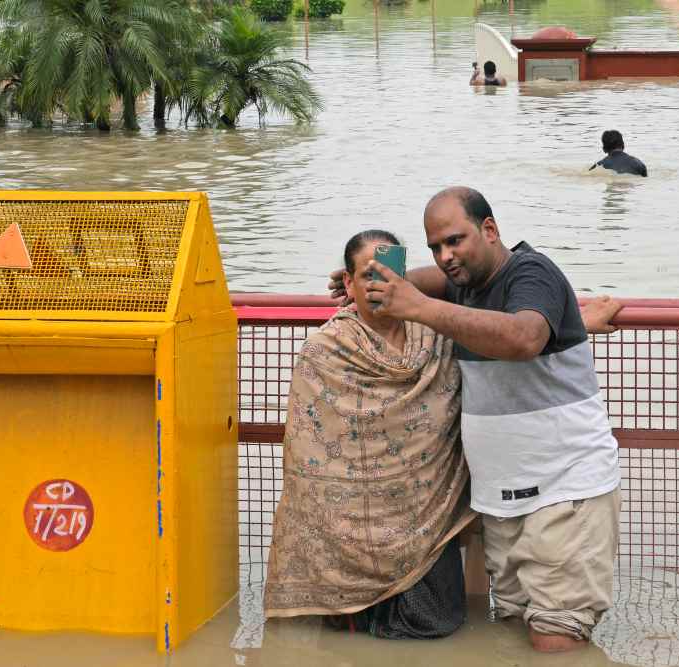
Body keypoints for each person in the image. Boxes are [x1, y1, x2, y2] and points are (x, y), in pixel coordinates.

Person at [333, 188, 623, 653]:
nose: (445, 257)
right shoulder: (465, 284)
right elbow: (432, 285)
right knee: (508, 629)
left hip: (565, 488)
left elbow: (524, 337)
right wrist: (374, 279)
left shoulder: (532, 272)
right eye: (435, 247)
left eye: (454, 241)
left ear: (489, 230)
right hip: (502, 498)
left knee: (556, 640)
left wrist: (417, 307)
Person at [264, 230, 476, 639]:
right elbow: (307, 458)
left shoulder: (437, 337)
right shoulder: (324, 350)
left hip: (424, 513)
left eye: (390, 275)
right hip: (346, 525)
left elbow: (497, 308)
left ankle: (359, 619)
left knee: (439, 621)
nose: (380, 287)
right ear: (348, 283)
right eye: (367, 276)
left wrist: (573, 324)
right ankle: (348, 612)